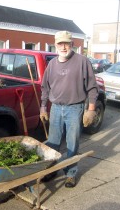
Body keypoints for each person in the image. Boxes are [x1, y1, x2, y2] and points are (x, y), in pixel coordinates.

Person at [40, 31, 98, 188]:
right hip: (56, 108)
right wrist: (43, 107)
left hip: (75, 108)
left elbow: (92, 88)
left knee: (72, 143)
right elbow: (45, 88)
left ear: (72, 44)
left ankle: (70, 173)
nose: (63, 47)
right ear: (55, 45)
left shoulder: (82, 62)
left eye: (66, 43)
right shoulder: (52, 64)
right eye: (60, 43)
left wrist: (91, 110)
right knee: (52, 143)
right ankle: (51, 170)